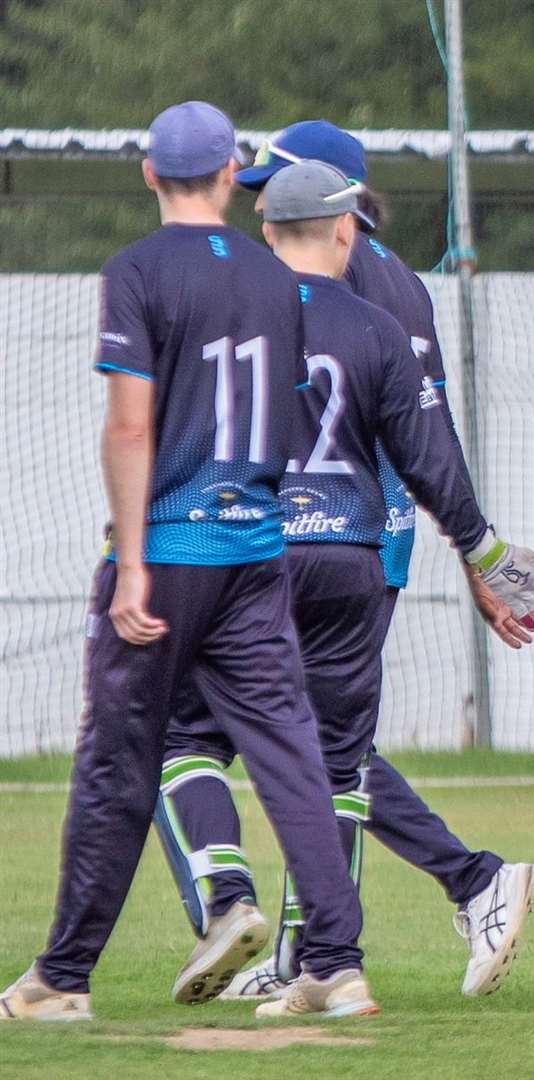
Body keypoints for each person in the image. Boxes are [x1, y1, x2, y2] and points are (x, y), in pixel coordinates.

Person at [155, 119, 534, 1007]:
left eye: (270, 191)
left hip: (269, 544)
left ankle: (264, 911)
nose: (258, 202)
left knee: (202, 734)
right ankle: (321, 952)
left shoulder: (273, 298)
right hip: (367, 541)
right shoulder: (393, 295)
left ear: (329, 211)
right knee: (331, 753)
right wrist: (479, 557)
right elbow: (429, 439)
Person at [0, 102, 372, 1022]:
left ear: (147, 174)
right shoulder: (277, 275)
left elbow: (130, 425)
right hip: (255, 550)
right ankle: (333, 966)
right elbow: (285, 412)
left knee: (116, 766)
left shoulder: (133, 270)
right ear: (234, 173)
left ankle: (63, 980)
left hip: (165, 552)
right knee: (292, 757)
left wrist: (130, 563)